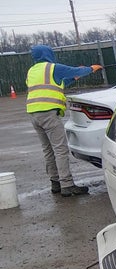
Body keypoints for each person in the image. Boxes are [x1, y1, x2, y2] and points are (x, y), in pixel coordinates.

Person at [25, 45, 103, 196]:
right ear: (48, 54)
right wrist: (90, 68)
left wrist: (73, 77)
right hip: (48, 114)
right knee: (60, 149)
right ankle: (67, 185)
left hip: (34, 114)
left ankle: (55, 183)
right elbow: (76, 71)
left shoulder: (32, 71)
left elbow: (57, 83)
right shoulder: (53, 67)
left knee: (48, 150)